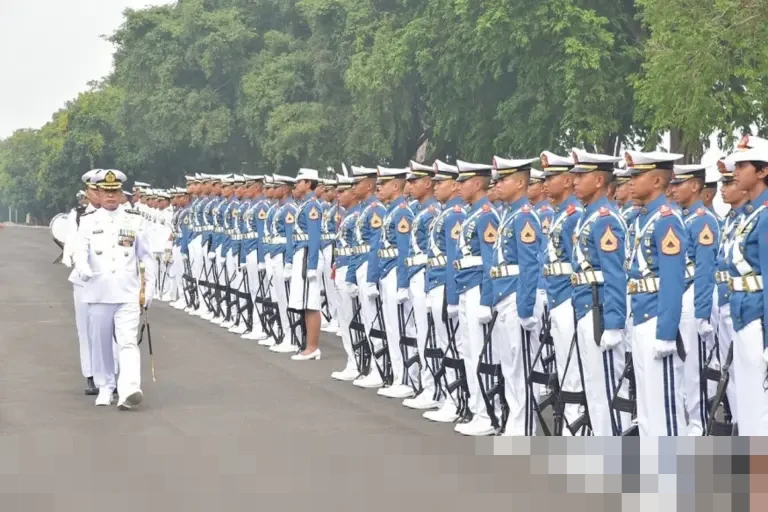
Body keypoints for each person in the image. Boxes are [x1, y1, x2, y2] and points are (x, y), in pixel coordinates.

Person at [74, 169, 155, 409]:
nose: (111, 196)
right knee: (100, 344)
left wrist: (148, 290)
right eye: (106, 192)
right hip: (98, 292)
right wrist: (82, 267)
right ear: (97, 193)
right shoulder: (88, 221)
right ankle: (106, 386)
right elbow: (80, 250)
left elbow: (147, 257)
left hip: (127, 292)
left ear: (121, 194)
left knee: (128, 341)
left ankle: (129, 388)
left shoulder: (134, 219)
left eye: (115, 192)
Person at [625, 150, 687, 436]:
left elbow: (673, 281)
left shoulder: (667, 219)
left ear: (658, 179)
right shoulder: (641, 218)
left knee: (665, 404)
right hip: (639, 314)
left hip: (655, 318)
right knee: (648, 404)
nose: (631, 182)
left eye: (637, 175)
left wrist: (666, 331)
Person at [569, 149, 630, 436]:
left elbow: (615, 275)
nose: (575, 181)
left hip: (600, 312)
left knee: (607, 390)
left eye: (582, 176)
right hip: (585, 307)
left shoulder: (605, 219)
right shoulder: (587, 217)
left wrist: (615, 323)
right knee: (594, 387)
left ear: (598, 181)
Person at [489, 156, 542, 436]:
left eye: (504, 179)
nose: (498, 184)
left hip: (515, 297)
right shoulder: (509, 215)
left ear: (521, 182)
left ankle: (525, 429)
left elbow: (530, 266)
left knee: (521, 369)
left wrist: (525, 308)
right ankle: (516, 423)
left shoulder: (525, 217)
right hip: (503, 295)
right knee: (510, 367)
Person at [670, 163, 720, 436]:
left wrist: (701, 313)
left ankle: (700, 425)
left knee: (693, 367)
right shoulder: (680, 218)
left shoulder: (703, 220)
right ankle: (686, 422)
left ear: (695, 186)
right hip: (678, 295)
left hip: (692, 297)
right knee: (679, 366)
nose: (673, 189)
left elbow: (704, 270)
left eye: (679, 184)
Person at [453, 159, 500, 436]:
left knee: (481, 353)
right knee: (468, 351)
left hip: (477, 290)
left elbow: (489, 261)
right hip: (465, 287)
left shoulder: (485, 215)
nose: (459, 186)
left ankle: (488, 411)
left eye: (464, 181)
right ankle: (477, 407)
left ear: (478, 183)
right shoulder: (474, 214)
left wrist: (486, 299)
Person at [727, 135, 768, 435]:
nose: (735, 171)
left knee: (761, 405)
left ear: (763, 171)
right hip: (742, 315)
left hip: (758, 320)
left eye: (742, 165)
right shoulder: (748, 215)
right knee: (748, 403)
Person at [62, 170, 101, 395]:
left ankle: (109, 374)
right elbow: (73, 243)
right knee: (85, 329)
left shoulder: (118, 214)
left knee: (108, 330)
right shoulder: (78, 215)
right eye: (93, 190)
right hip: (84, 278)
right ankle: (90, 374)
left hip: (108, 280)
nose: (97, 194)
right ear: (87, 192)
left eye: (101, 190)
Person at [288, 168, 324, 361]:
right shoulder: (305, 205)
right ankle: (309, 346)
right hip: (300, 253)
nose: (296, 185)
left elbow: (314, 237)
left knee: (310, 302)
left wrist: (311, 265)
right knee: (305, 303)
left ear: (309, 183)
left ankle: (312, 347)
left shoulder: (312, 206)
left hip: (307, 254)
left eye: (299, 181)